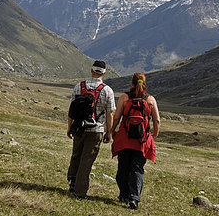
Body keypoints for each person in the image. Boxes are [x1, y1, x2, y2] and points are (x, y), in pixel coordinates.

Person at [66, 60, 115, 199]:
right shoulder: (107, 90)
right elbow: (109, 113)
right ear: (104, 73)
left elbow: (72, 110)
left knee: (76, 154)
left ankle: (72, 181)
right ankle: (80, 192)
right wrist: (109, 132)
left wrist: (69, 127)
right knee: (87, 160)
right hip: (96, 130)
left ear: (91, 71)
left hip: (79, 127)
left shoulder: (79, 87)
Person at [111, 72, 160, 210]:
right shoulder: (150, 100)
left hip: (125, 139)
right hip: (142, 141)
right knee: (137, 169)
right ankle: (134, 198)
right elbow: (156, 119)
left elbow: (117, 117)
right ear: (144, 84)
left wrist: (112, 131)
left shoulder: (125, 97)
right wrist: (154, 134)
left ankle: (123, 194)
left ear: (132, 83)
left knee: (123, 168)